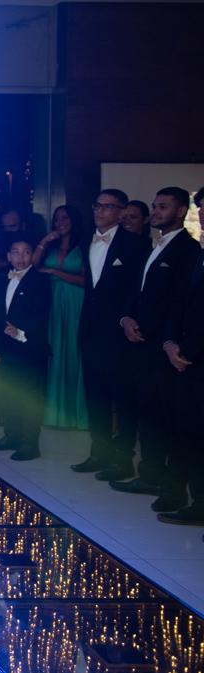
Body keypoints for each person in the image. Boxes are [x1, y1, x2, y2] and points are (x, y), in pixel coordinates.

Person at [111, 189, 197, 506]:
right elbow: (138, 289)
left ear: (181, 211)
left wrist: (145, 327)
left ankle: (169, 483)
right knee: (149, 413)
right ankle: (149, 474)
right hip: (139, 342)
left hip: (162, 344)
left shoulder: (188, 249)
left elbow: (176, 300)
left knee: (168, 418)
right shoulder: (153, 245)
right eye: (155, 206)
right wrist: (125, 318)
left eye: (163, 207)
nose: (156, 211)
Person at [72, 188, 146, 478]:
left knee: (124, 396)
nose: (99, 211)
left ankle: (123, 457)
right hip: (90, 329)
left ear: (121, 211)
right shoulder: (86, 239)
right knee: (96, 396)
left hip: (118, 332)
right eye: (97, 205)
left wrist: (128, 319)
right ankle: (98, 452)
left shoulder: (136, 244)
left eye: (106, 207)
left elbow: (135, 289)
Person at [159, 186, 204, 526]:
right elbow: (178, 301)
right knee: (189, 433)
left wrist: (185, 349)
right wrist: (171, 342)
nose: (202, 215)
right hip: (185, 357)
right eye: (201, 209)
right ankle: (198, 502)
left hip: (196, 355)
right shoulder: (199, 253)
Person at [0, 236, 51, 461]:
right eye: (15, 252)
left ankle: (30, 443)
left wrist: (21, 332)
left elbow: (42, 315)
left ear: (32, 255)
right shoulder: (1, 280)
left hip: (31, 347)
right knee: (9, 394)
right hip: (7, 348)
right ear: (8, 255)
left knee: (30, 397)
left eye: (25, 252)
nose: (20, 257)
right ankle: (11, 436)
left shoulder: (41, 280)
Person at [34, 205, 88, 429]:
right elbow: (33, 266)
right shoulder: (51, 246)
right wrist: (45, 241)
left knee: (75, 355)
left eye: (65, 218)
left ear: (74, 220)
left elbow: (87, 281)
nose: (60, 222)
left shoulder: (85, 245)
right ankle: (55, 416)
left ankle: (79, 416)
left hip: (77, 303)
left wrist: (55, 272)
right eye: (56, 219)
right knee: (55, 354)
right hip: (53, 305)